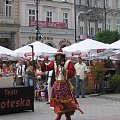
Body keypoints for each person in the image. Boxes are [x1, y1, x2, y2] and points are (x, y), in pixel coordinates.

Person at [41, 48, 84, 120]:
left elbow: (73, 72)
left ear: (63, 56)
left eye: (59, 56)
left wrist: (64, 71)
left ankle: (62, 117)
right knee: (58, 102)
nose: (58, 57)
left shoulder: (68, 62)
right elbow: (47, 67)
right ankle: (64, 117)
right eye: (57, 56)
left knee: (67, 102)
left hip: (65, 85)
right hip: (57, 85)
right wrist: (43, 63)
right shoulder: (54, 63)